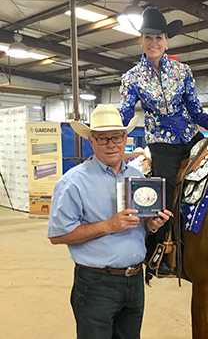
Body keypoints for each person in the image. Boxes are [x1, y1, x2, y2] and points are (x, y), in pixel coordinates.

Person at [47, 104, 172, 339]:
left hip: (134, 281)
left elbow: (138, 227)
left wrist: (151, 226)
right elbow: (57, 236)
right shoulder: (73, 182)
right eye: (102, 139)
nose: (111, 144)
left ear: (125, 138)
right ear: (91, 141)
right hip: (96, 284)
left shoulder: (136, 177)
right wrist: (108, 226)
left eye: (116, 137)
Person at [119, 7, 208, 277]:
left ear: (167, 41)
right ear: (140, 41)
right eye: (149, 38)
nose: (154, 43)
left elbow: (193, 108)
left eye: (159, 38)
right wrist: (112, 128)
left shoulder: (182, 71)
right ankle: (157, 253)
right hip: (161, 142)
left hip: (190, 135)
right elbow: (126, 113)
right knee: (162, 194)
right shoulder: (131, 78)